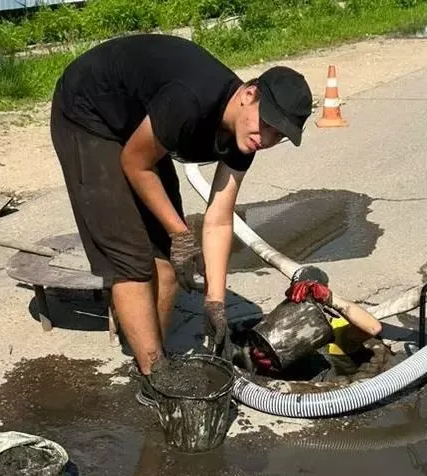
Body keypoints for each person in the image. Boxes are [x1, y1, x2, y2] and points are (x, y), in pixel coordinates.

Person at [49, 33, 313, 405]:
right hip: (88, 113)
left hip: (140, 122)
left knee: (168, 263)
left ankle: (150, 344)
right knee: (132, 260)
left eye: (277, 134)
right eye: (266, 123)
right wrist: (179, 230)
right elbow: (135, 163)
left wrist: (215, 302)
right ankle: (153, 374)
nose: (264, 138)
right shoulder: (191, 100)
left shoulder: (244, 136)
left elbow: (220, 218)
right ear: (249, 94)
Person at [248, 266, 383, 376]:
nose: (304, 299)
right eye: (300, 291)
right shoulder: (280, 323)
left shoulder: (337, 328)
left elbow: (373, 327)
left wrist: (330, 299)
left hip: (334, 389)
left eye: (309, 294)